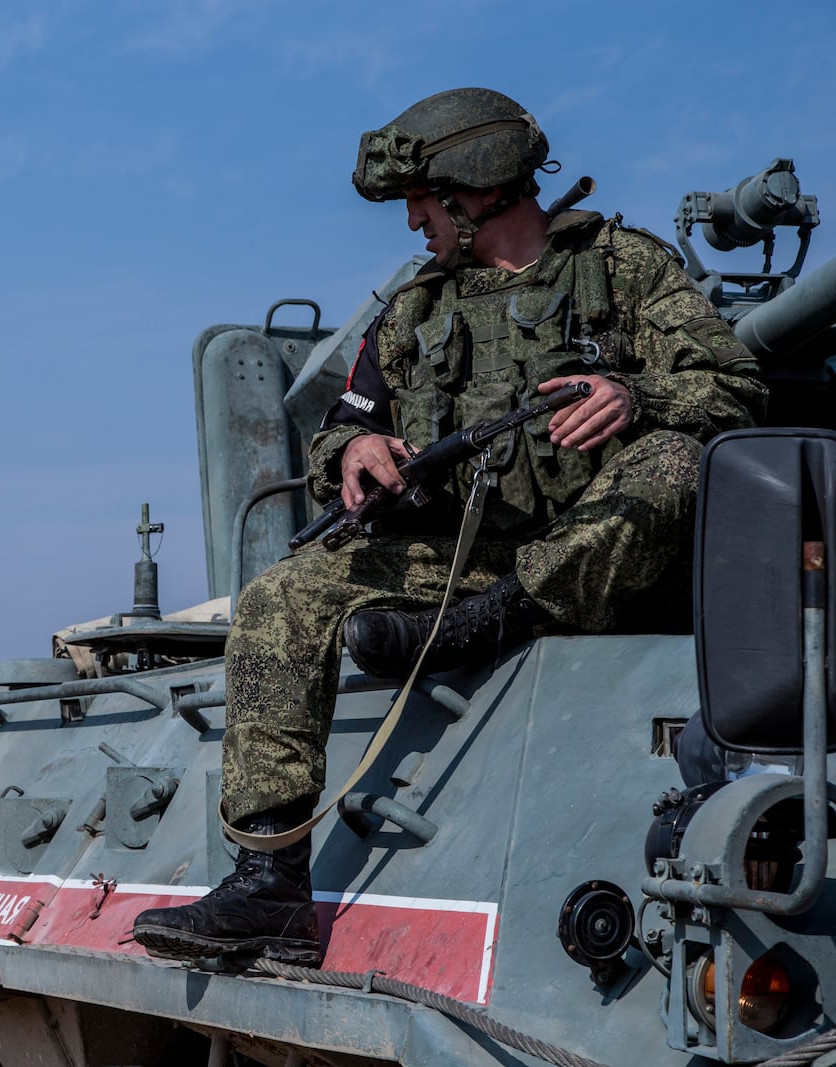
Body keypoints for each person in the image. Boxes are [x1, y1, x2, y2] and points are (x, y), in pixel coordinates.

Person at [132, 87, 769, 967]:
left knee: (677, 462)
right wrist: (353, 452)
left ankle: (500, 619)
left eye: (421, 203)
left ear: (477, 188)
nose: (411, 225)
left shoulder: (623, 269)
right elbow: (338, 428)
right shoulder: (414, 311)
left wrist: (635, 394)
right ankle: (269, 884)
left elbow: (733, 386)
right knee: (283, 596)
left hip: (611, 551)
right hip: (465, 554)